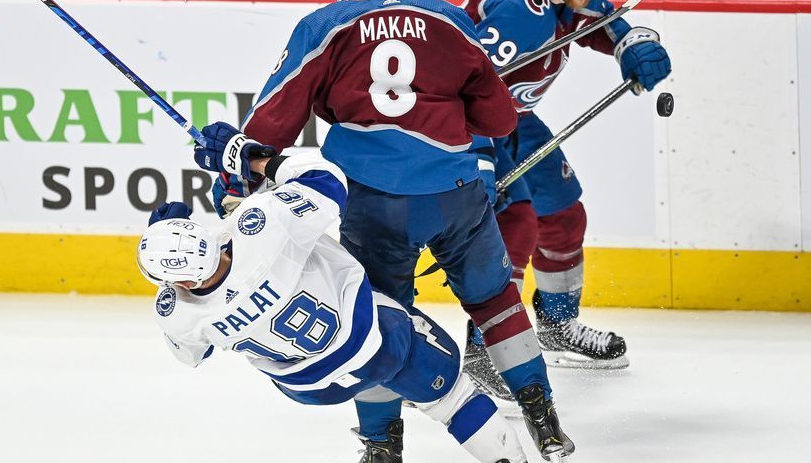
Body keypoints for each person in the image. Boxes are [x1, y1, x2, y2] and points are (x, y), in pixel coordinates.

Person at [212, 0, 574, 463]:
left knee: (377, 321)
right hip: (456, 194)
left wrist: (236, 175)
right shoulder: (447, 19)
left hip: (373, 203)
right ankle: (545, 422)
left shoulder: (325, 26)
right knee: (496, 301)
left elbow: (272, 122)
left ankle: (382, 445)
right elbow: (498, 120)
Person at [140, 146, 530, 463]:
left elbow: (193, 354)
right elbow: (326, 180)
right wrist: (251, 156)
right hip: (375, 338)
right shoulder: (264, 222)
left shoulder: (176, 313)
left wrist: (163, 243)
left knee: (361, 367)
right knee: (452, 398)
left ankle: (381, 447)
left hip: (311, 386)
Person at [458, 0, 672, 385]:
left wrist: (631, 43)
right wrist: (477, 157)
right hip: (473, 125)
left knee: (562, 215)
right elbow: (465, 86)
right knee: (511, 231)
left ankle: (555, 327)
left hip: (515, 117)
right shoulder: (520, 14)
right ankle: (484, 353)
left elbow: (597, 18)